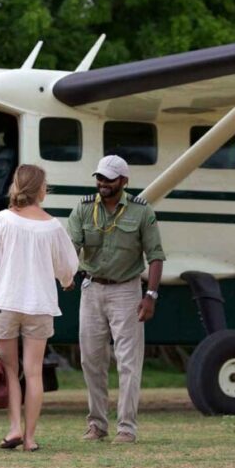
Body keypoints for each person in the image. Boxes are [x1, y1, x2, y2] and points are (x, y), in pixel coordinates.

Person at [0, 164, 78, 452]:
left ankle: (14, 428)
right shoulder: (53, 226)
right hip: (40, 306)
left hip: (5, 304)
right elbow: (68, 266)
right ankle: (30, 439)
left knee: (10, 370)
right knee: (33, 372)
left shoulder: (2, 220)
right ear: (40, 189)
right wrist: (66, 281)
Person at [67, 155, 165, 444]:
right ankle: (97, 424)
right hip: (92, 289)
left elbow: (156, 256)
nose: (102, 183)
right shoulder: (84, 209)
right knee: (91, 359)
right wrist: (65, 274)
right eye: (99, 177)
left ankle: (126, 427)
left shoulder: (141, 212)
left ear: (123, 181)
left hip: (126, 289)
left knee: (128, 361)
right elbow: (71, 248)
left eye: (109, 179)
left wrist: (151, 295)